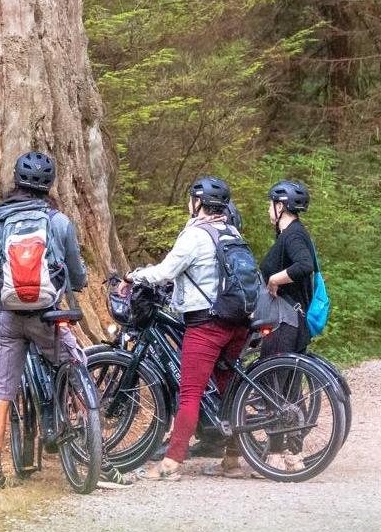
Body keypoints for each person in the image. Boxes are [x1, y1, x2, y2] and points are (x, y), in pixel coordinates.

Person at [0, 151, 89, 492]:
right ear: (50, 185)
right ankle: (92, 448)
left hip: (7, 317)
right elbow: (77, 273)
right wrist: (78, 283)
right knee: (75, 368)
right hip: (48, 315)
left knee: (0, 392)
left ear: (15, 181)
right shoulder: (59, 222)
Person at [132, 176, 251, 481]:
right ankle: (233, 460)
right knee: (229, 393)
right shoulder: (231, 231)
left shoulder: (195, 236)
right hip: (238, 323)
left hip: (207, 325)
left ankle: (171, 463)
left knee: (190, 394)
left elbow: (165, 272)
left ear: (198, 203)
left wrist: (135, 276)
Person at [258, 179, 318, 472]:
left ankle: (276, 454)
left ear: (281, 206)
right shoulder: (295, 233)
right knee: (289, 389)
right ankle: (293, 454)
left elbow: (304, 265)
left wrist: (274, 279)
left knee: (273, 386)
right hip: (294, 321)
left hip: (285, 322)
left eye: (271, 203)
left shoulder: (292, 235)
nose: (268, 209)